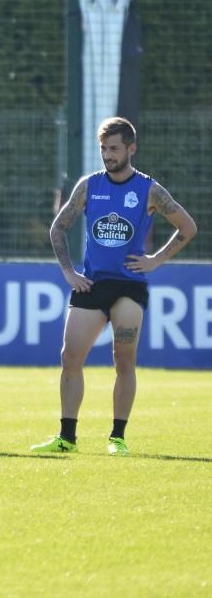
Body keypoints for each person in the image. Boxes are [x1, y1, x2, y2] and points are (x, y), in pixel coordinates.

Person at [33, 117, 197, 455]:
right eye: (104, 149)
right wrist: (68, 272)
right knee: (70, 358)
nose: (107, 155)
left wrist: (156, 259)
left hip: (129, 288)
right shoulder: (89, 185)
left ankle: (117, 438)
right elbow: (58, 228)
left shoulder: (149, 189)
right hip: (92, 285)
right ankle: (67, 438)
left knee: (123, 359)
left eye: (114, 149)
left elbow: (187, 227)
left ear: (131, 149)